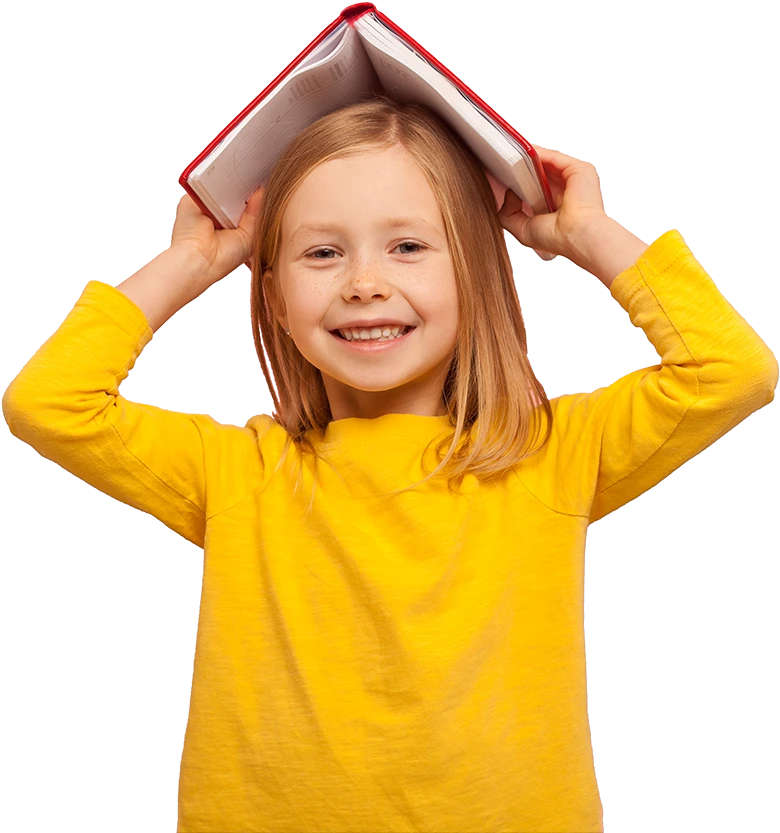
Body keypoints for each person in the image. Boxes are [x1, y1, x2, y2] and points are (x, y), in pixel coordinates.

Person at [2, 96, 777, 833]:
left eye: (407, 246)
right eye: (322, 252)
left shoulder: (551, 454)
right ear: (272, 297)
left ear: (473, 273)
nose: (364, 282)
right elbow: (48, 401)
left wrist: (590, 235)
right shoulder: (239, 472)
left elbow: (730, 370)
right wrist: (191, 260)